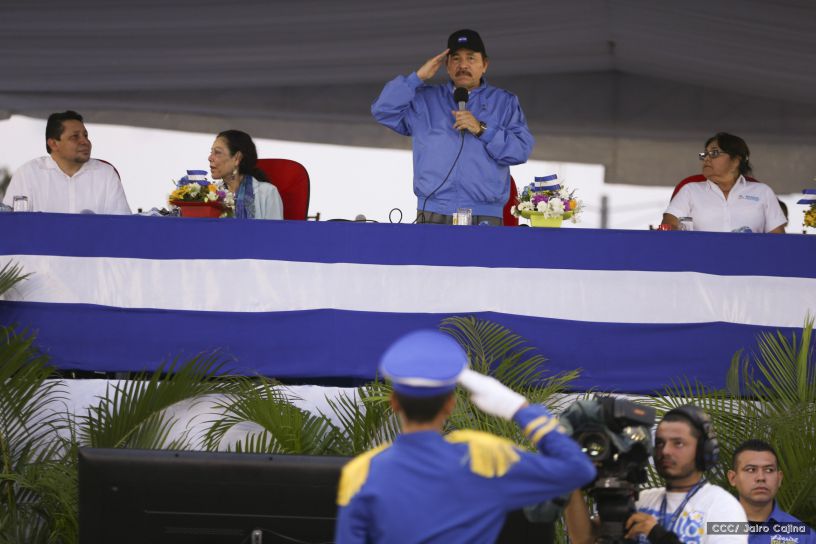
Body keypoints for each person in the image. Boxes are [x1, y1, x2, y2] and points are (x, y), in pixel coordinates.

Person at [334, 329, 596, 543]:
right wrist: (519, 409)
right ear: (450, 404)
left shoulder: (361, 472)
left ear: (394, 403)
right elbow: (577, 469)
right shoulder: (483, 456)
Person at [371, 29, 534, 225]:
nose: (463, 65)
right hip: (432, 211)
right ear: (447, 65)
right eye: (456, 59)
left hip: (485, 213)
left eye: (471, 58)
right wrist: (417, 78)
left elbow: (520, 151)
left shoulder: (505, 102)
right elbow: (382, 110)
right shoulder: (425, 99)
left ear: (484, 65)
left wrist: (481, 129)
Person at [565, 405, 747, 544]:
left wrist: (658, 536)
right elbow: (584, 538)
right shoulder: (642, 500)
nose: (665, 451)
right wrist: (569, 480)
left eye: (678, 443)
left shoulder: (726, 507)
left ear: (702, 450)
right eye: (660, 443)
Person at [2, 110, 131, 214]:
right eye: (75, 137)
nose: (85, 141)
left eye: (85, 135)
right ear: (53, 144)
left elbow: (122, 226)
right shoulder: (28, 174)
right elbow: (11, 225)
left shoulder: (106, 174)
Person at [663, 133, 786, 233]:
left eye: (714, 153)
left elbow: (778, 239)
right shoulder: (690, 190)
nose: (706, 158)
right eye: (705, 154)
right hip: (700, 255)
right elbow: (668, 227)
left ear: (736, 161)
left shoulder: (763, 192)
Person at [727, 439, 815, 544]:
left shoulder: (805, 537)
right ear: (733, 478)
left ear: (779, 479)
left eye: (769, 470)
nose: (761, 477)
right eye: (751, 470)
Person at [208, 129, 283, 219]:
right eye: (211, 152)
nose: (210, 158)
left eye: (217, 152)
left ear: (237, 158)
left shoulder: (267, 193)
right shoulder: (211, 194)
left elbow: (275, 228)